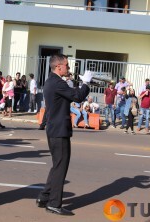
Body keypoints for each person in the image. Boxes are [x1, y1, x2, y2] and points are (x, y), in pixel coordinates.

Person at [37, 54, 91, 216]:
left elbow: (69, 93)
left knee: (57, 165)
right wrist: (86, 83)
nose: (69, 68)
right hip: (59, 130)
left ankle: (44, 197)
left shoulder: (52, 81)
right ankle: (54, 203)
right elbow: (78, 97)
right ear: (59, 67)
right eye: (67, 65)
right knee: (61, 166)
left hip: (55, 128)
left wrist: (77, 84)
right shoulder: (57, 82)